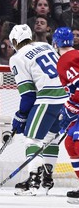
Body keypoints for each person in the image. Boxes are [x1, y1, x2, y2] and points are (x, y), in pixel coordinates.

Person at [8, 24, 68, 196]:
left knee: (32, 139)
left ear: (14, 41)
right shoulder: (47, 45)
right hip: (66, 98)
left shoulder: (17, 57)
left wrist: (20, 117)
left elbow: (28, 95)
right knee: (51, 138)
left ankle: (33, 181)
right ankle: (47, 179)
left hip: (48, 99)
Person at [52, 27, 79, 204]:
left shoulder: (65, 60)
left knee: (76, 141)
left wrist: (70, 108)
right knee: (70, 142)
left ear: (55, 43)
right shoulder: (75, 55)